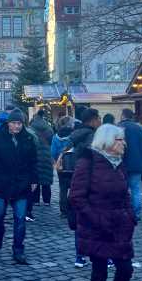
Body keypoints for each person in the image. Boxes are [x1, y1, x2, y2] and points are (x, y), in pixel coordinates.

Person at [69, 124, 135, 281]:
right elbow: (77, 197)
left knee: (125, 269)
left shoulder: (119, 162)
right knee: (99, 271)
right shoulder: (88, 162)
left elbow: (125, 193)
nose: (123, 143)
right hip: (97, 227)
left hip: (119, 226)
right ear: (107, 141)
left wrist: (130, 215)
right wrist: (97, 219)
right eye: (119, 139)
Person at [0, 108, 38, 264]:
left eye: (19, 123)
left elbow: (33, 161)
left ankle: (18, 249)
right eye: (14, 123)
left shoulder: (28, 139)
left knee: (20, 219)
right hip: (1, 184)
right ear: (8, 124)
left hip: (21, 185)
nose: (17, 126)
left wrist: (34, 179)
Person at [64, 107, 102, 267]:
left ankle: (79, 257)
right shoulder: (92, 137)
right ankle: (102, 255)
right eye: (98, 118)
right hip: (92, 182)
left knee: (82, 220)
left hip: (76, 180)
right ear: (92, 120)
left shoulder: (74, 136)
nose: (99, 120)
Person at [118, 109, 142, 221]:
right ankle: (136, 214)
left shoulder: (118, 128)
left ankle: (123, 212)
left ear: (122, 116)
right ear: (132, 117)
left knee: (122, 189)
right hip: (137, 164)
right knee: (136, 189)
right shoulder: (140, 129)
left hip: (121, 164)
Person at [50, 115, 75, 216]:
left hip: (61, 166)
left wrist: (57, 162)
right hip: (73, 165)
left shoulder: (55, 137)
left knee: (63, 188)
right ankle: (71, 208)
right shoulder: (74, 135)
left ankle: (63, 210)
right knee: (74, 187)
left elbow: (52, 152)